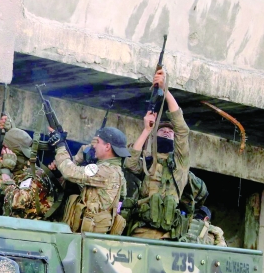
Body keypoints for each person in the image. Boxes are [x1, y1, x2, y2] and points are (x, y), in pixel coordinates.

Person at [124, 68, 190, 240]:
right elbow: (130, 164)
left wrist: (165, 90)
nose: (167, 132)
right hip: (142, 231)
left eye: (170, 131)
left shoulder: (180, 163)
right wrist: (146, 130)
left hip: (169, 234)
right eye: (162, 130)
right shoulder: (148, 161)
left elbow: (182, 130)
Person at [47, 126, 128, 234]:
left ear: (107, 146)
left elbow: (70, 171)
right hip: (90, 232)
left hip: (89, 234)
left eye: (98, 142)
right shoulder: (116, 171)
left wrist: (60, 145)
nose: (94, 145)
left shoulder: (106, 171)